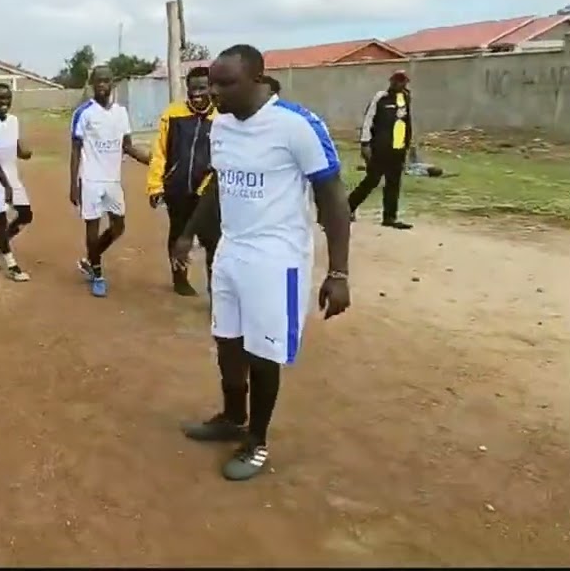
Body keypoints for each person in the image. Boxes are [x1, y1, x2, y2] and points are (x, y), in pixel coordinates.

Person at [172, 44, 351, 482]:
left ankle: (257, 439)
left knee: (262, 352)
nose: (213, 91)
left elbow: (333, 196)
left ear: (257, 78)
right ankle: (233, 416)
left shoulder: (296, 126)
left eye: (225, 83)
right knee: (227, 341)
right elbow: (219, 185)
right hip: (231, 251)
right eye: (210, 82)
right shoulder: (222, 127)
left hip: (277, 259)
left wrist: (339, 272)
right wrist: (189, 232)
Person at [70, 66, 150, 298]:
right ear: (92, 84)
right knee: (92, 229)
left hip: (113, 179)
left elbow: (127, 146)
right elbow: (75, 150)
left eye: (106, 81)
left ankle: (90, 258)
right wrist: (74, 184)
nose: (102, 86)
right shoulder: (84, 113)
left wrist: (151, 160)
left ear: (113, 83)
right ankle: (97, 273)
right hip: (91, 180)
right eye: (98, 82)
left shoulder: (121, 113)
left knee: (118, 226)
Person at [146, 66, 219, 296]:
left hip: (208, 193)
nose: (197, 93)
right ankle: (180, 279)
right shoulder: (173, 114)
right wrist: (156, 185)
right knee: (177, 234)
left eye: (202, 88)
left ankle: (214, 287)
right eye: (192, 88)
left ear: (211, 88)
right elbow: (160, 152)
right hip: (177, 189)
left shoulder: (221, 118)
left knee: (212, 239)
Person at [0, 83, 34, 282]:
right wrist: (6, 186)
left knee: (26, 214)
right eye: (1, 98)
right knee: (0, 219)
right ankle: (11, 264)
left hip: (12, 175)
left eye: (7, 98)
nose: (5, 102)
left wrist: (23, 153)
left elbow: (15, 145)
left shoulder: (13, 121)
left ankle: (1, 242)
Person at [347, 70, 414, 229]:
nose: (400, 84)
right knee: (372, 180)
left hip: (398, 148)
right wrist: (365, 144)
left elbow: (406, 122)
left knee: (394, 183)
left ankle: (390, 217)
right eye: (397, 81)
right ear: (391, 81)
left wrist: (407, 144)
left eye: (403, 81)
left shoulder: (405, 99)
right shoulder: (381, 98)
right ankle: (347, 208)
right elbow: (368, 120)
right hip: (379, 148)